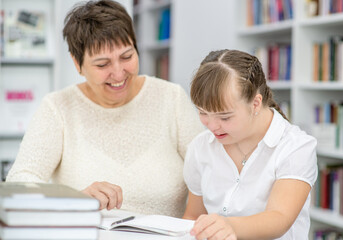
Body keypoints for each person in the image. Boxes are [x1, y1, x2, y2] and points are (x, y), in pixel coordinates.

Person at [6, 0, 203, 218]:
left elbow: (208, 168)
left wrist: (188, 226)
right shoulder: (57, 108)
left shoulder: (171, 98)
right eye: (102, 64)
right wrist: (72, 200)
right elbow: (20, 183)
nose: (119, 74)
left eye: (127, 57)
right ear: (77, 63)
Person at [182, 49, 318, 239]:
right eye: (203, 112)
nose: (211, 126)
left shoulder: (296, 147)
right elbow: (193, 217)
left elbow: (279, 218)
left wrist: (229, 226)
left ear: (255, 104)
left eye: (225, 117)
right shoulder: (200, 147)